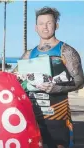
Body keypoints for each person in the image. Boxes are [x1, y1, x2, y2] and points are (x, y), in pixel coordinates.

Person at [20, 7, 84, 148]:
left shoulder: (66, 51)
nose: (45, 26)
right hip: (33, 117)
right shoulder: (28, 55)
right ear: (35, 28)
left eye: (49, 22)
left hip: (57, 116)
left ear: (56, 25)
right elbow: (16, 79)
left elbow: (80, 80)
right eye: (41, 23)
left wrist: (57, 88)